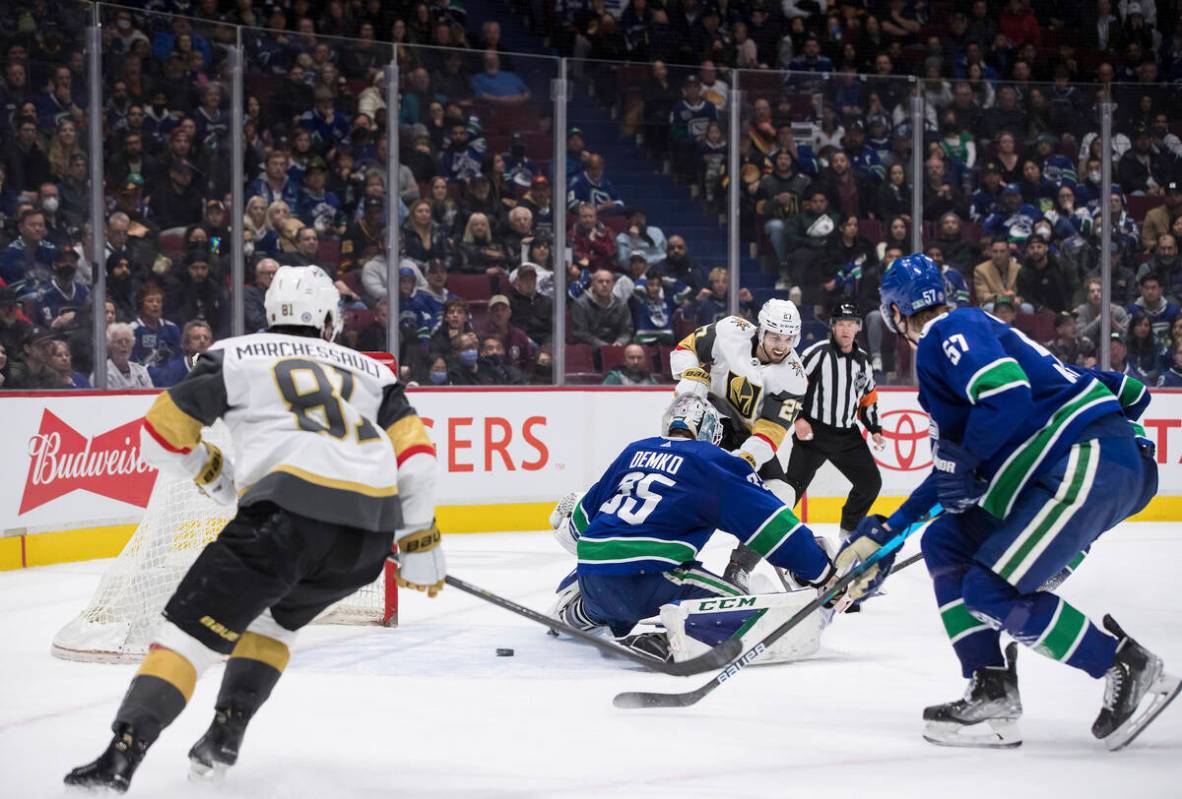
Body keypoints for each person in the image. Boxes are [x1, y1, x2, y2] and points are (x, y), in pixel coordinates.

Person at [65, 266, 443, 792]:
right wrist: (419, 538)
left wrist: (209, 469)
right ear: (330, 321)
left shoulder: (235, 355)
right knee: (274, 626)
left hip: (282, 525)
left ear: (270, 314)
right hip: (365, 541)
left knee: (185, 639)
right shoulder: (375, 374)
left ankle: (119, 756)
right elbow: (419, 463)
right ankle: (225, 733)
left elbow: (159, 434)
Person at [838, 253, 1176, 750]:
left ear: (894, 314)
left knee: (989, 589)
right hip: (1068, 464)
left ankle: (1124, 663)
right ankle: (991, 684)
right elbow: (950, 474)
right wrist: (890, 533)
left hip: (1086, 455)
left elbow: (1006, 394)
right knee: (945, 541)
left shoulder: (946, 332)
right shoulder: (953, 354)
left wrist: (965, 461)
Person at [548, 394, 835, 659]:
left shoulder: (634, 451)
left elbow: (580, 523)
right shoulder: (712, 462)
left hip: (592, 575)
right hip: (649, 579)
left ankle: (579, 613)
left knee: (612, 591)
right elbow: (770, 525)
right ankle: (667, 642)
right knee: (741, 609)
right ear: (711, 432)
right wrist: (820, 569)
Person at [669, 299, 807, 506]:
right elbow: (686, 348)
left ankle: (750, 538)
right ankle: (679, 449)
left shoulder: (794, 379)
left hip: (746, 435)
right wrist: (693, 374)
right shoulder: (731, 330)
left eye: (789, 339)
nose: (782, 347)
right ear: (762, 331)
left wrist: (745, 458)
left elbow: (771, 432)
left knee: (782, 494)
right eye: (775, 337)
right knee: (694, 384)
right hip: (707, 418)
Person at [785, 302, 884, 541]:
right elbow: (790, 386)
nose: (846, 329)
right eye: (841, 324)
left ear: (859, 327)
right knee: (789, 492)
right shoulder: (818, 353)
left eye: (850, 324)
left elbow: (867, 399)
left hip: (846, 436)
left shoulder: (863, 362)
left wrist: (875, 429)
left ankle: (848, 535)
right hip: (813, 433)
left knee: (870, 484)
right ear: (833, 326)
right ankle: (759, 545)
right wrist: (798, 419)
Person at [571, 269, 632, 349]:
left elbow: (627, 331)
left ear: (613, 284)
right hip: (590, 349)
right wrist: (603, 346)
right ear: (593, 284)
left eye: (608, 282)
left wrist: (620, 342)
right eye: (600, 281)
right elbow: (580, 333)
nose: (604, 285)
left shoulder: (621, 304)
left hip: (616, 348)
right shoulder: (581, 304)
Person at [96, 322, 153, 389]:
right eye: (119, 342)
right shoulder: (102, 374)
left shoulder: (141, 370)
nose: (124, 345)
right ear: (110, 345)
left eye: (128, 341)